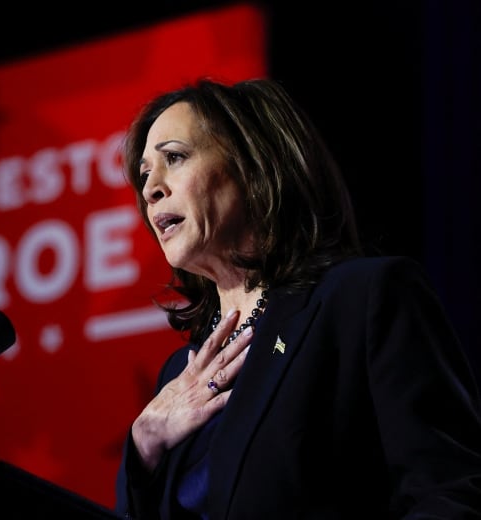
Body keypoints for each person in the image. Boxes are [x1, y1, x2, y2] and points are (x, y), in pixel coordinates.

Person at [113, 77, 481, 519]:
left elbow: (450, 491)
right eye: (145, 175)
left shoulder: (362, 300)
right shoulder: (181, 372)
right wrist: (143, 447)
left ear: (254, 165)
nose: (152, 188)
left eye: (174, 157)